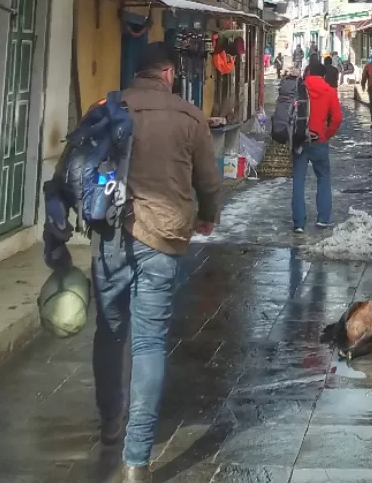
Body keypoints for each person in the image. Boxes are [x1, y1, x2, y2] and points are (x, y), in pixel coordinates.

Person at [92, 42, 222, 481]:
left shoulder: (109, 107)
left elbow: (83, 167)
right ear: (169, 73)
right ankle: (136, 460)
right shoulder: (189, 115)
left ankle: (111, 424)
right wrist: (208, 217)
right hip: (162, 238)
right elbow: (209, 178)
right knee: (148, 343)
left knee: (110, 334)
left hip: (110, 236)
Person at [292, 58, 342, 233]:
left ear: (309, 73)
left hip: (299, 140)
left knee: (298, 181)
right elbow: (337, 119)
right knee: (323, 178)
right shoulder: (329, 91)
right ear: (324, 75)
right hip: (319, 140)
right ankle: (323, 219)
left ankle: (298, 223)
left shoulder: (299, 88)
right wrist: (326, 135)